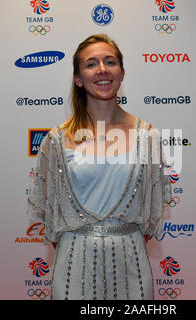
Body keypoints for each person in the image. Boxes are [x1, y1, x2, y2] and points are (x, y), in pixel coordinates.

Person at [27, 34, 171, 300]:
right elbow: (50, 213)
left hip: (132, 266)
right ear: (78, 78)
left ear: (122, 73)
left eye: (110, 62)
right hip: (73, 266)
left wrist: (119, 237)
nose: (102, 70)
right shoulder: (56, 140)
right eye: (91, 64)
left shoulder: (148, 136)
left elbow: (153, 212)